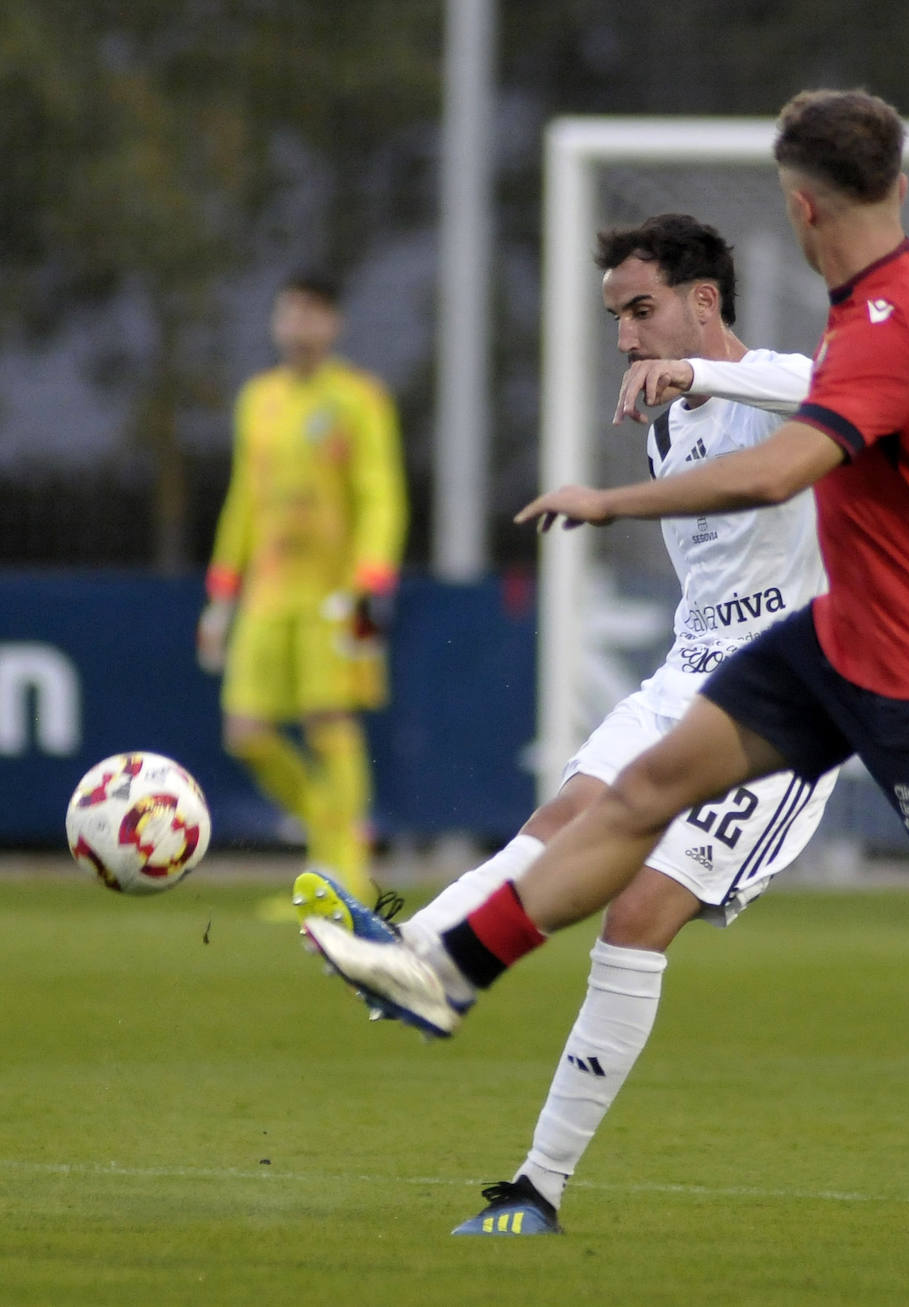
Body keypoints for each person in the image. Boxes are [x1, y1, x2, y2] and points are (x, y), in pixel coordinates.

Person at [301, 90, 909, 1306]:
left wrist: (606, 501)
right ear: (894, 188)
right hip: (839, 636)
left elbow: (778, 472)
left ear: (800, 209)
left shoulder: (883, 336)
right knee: (640, 787)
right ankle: (446, 971)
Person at [295, 214, 838, 1234]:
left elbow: (835, 394)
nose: (626, 337)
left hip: (793, 703)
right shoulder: (664, 417)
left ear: (704, 301)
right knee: (566, 816)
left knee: (637, 913)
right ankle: (408, 957)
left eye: (642, 310)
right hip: (688, 676)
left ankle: (538, 1186)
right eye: (616, 318)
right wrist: (682, 394)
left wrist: (705, 379)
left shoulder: (762, 380)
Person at [198, 272, 407, 902]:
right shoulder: (257, 398)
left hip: (336, 594)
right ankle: (329, 828)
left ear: (333, 324)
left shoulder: (358, 398)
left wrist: (369, 582)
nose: (299, 325)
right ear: (276, 322)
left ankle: (341, 869)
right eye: (289, 313)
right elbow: (244, 498)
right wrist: (221, 591)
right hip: (266, 593)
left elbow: (381, 495)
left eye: (313, 314)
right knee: (246, 732)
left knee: (329, 719)